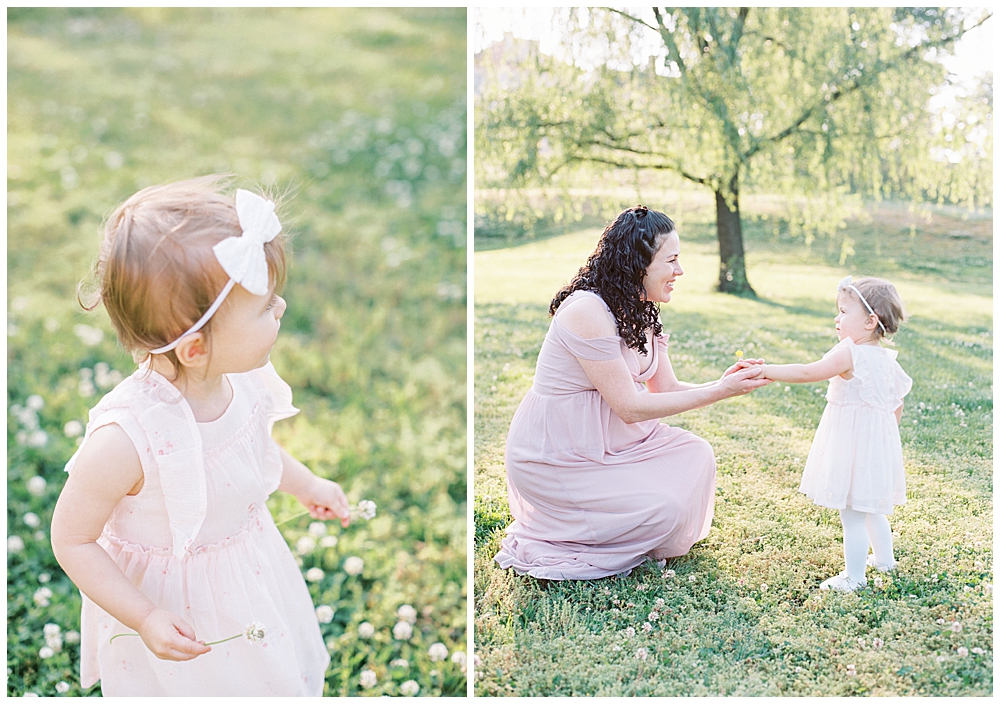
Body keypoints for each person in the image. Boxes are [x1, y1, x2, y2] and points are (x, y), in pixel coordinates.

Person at [50, 176, 351, 696]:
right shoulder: (126, 438)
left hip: (244, 576)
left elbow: (248, 451)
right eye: (264, 307)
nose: (280, 309)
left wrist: (306, 484)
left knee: (258, 678)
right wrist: (144, 617)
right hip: (171, 608)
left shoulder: (240, 381)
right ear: (194, 349)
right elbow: (72, 538)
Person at [494, 205, 770, 581]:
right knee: (667, 508)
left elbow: (667, 389)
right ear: (638, 264)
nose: (680, 271)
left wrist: (724, 386)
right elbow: (630, 406)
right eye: (671, 261)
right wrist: (720, 392)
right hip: (560, 453)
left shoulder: (640, 308)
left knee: (696, 455)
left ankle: (625, 526)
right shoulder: (587, 311)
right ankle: (593, 530)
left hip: (615, 443)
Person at [750, 276, 911, 592]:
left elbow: (809, 372)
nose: (837, 319)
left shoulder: (849, 352)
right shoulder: (886, 360)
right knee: (871, 507)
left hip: (850, 445)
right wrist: (884, 442)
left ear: (869, 321)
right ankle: (884, 560)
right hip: (876, 447)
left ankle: (854, 577)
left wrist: (766, 370)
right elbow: (897, 405)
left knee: (851, 512)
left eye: (843, 312)